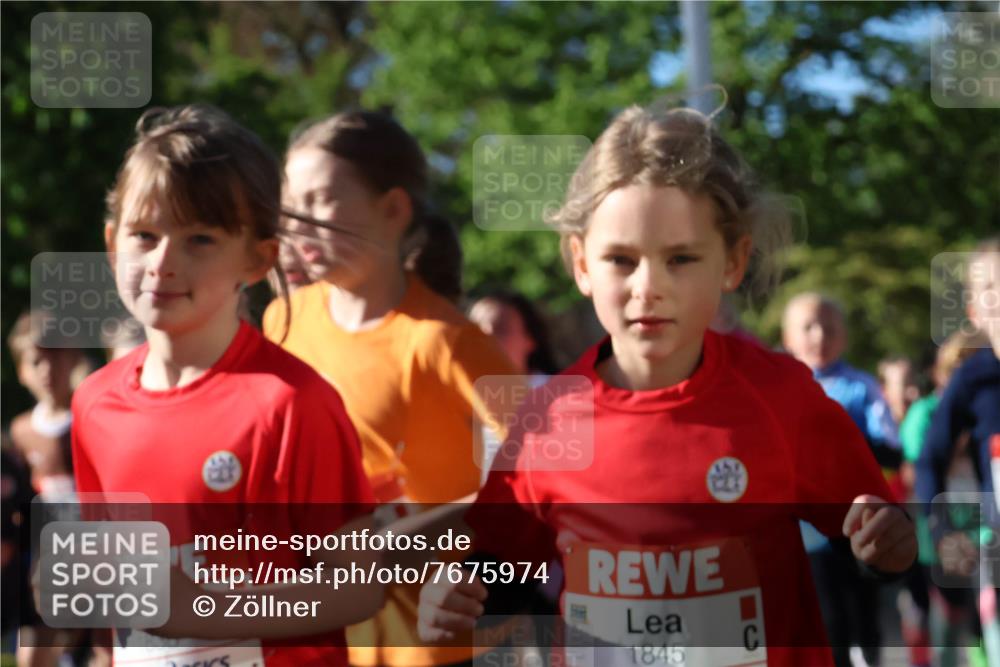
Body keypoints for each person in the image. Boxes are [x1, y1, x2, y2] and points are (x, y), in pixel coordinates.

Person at [415, 104, 917, 667]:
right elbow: (498, 569)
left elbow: (874, 539)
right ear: (581, 264)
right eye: (621, 259)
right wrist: (453, 597)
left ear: (733, 260)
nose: (648, 287)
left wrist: (887, 544)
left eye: (680, 258)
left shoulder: (781, 397)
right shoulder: (548, 420)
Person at [71, 104, 380, 667]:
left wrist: (207, 610)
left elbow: (356, 589)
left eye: (200, 239)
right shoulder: (94, 404)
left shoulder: (293, 402)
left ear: (258, 259)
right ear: (113, 242)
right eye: (145, 235)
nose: (163, 262)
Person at [263, 109, 519, 667]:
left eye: (320, 200)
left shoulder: (444, 339)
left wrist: (409, 541)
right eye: (291, 203)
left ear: (394, 210)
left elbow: (553, 470)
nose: (297, 223)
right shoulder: (282, 320)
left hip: (440, 649)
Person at [782, 292, 903, 667]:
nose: (819, 336)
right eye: (808, 327)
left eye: (829, 328)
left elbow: (892, 449)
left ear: (844, 336)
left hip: (857, 526)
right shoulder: (776, 389)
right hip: (802, 534)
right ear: (787, 338)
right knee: (825, 621)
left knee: (863, 617)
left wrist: (844, 443)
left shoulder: (861, 387)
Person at [916, 236, 1000, 666]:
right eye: (988, 287)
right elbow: (929, 460)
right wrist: (943, 530)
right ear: (973, 311)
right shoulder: (974, 378)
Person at [468, 290, 559, 386]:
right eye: (476, 332)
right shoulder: (464, 393)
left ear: (531, 338)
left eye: (501, 329)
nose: (487, 339)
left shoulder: (560, 390)